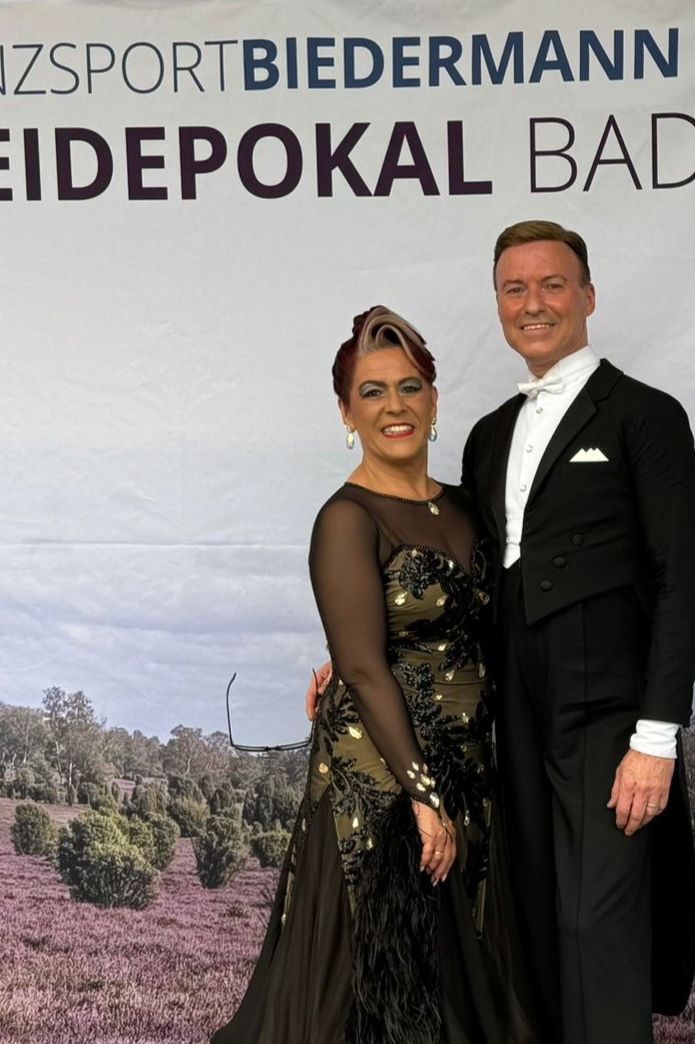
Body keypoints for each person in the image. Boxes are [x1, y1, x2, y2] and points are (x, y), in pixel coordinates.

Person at [216, 306, 529, 1044]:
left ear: (434, 400)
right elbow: (361, 664)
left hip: (468, 768)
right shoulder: (346, 518)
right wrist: (422, 796)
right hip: (382, 784)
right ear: (346, 412)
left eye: (410, 387)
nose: (396, 406)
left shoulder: (466, 506)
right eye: (373, 391)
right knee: (379, 990)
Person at [460, 220, 695, 1044]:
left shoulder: (646, 415)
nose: (533, 303)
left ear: (588, 297)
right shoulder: (487, 436)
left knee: (595, 923)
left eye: (552, 284)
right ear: (499, 304)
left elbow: (683, 580)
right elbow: (460, 584)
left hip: (609, 711)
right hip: (514, 712)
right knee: (534, 922)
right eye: (514, 288)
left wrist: (656, 738)